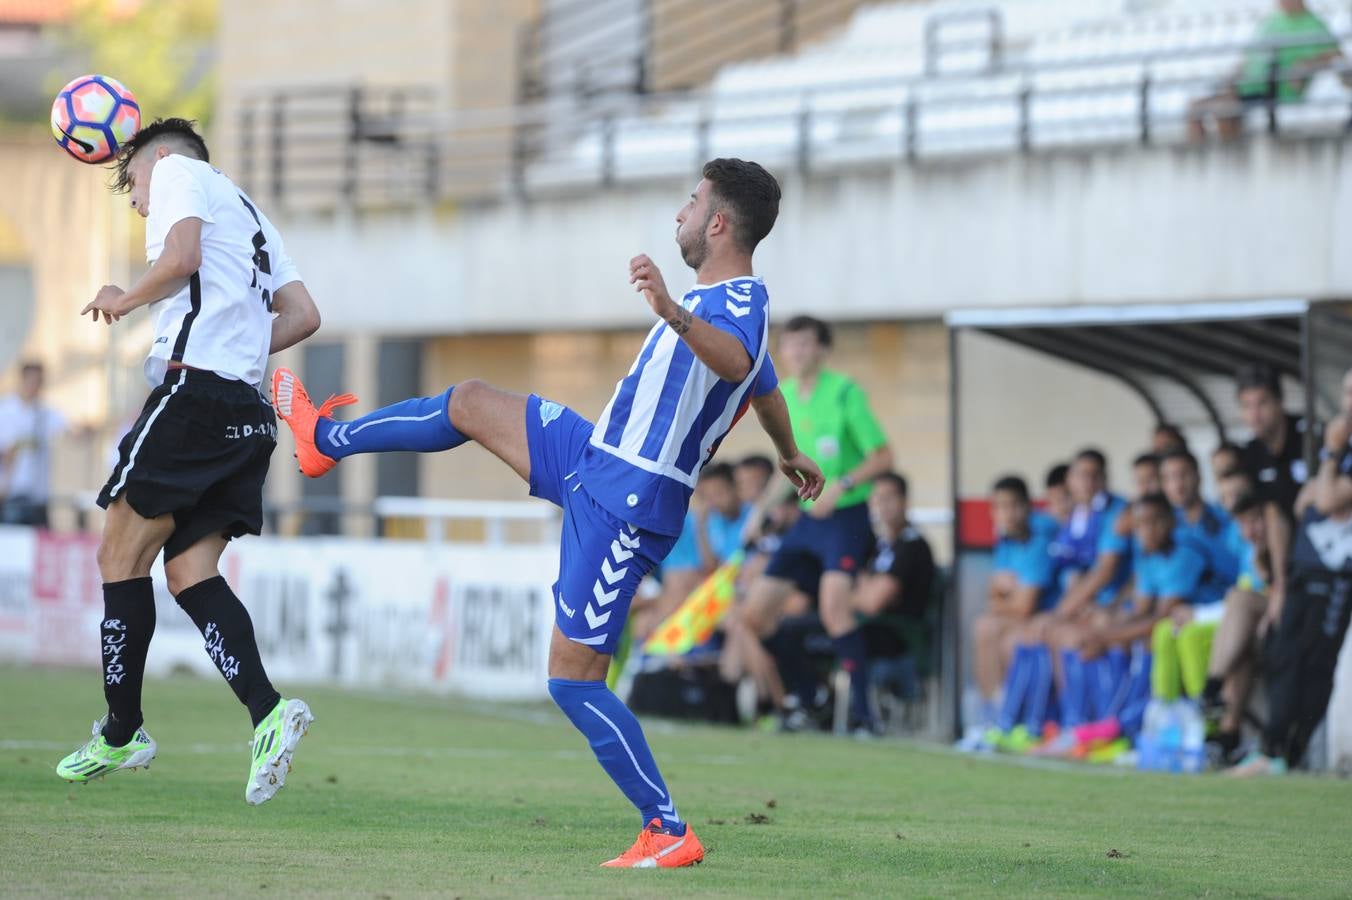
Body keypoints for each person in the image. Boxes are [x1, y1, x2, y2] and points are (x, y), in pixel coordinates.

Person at [269, 158, 824, 867]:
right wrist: (788, 451)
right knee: (470, 400)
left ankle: (668, 829)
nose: (678, 215)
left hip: (630, 502)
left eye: (690, 203)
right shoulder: (725, 304)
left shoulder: (734, 303)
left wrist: (674, 313)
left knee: (571, 680)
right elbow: (765, 382)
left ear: (718, 222)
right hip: (595, 457)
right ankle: (324, 442)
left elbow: (738, 357)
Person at [56, 119, 321, 804]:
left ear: (162, 160)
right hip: (245, 410)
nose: (139, 201)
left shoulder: (179, 173)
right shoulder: (253, 213)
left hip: (195, 394)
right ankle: (268, 712)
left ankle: (122, 730)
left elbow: (178, 257)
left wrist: (125, 297)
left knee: (119, 555)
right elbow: (304, 314)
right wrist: (240, 346)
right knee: (189, 571)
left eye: (134, 185)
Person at [738, 315, 892, 721]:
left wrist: (841, 485)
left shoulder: (844, 393)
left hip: (845, 517)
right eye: (790, 344)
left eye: (805, 344)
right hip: (808, 522)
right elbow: (787, 466)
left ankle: (863, 716)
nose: (796, 352)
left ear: (822, 349)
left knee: (833, 609)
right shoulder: (781, 393)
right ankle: (812, 695)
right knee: (755, 614)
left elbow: (883, 457)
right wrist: (760, 512)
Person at [1231, 372, 1352, 777]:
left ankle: (1291, 752)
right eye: (1347, 390)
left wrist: (1331, 455)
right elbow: (1303, 505)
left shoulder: (1332, 445)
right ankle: (1272, 750)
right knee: (1284, 653)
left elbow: (1327, 497)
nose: (1349, 400)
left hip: (1339, 573)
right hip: (1305, 567)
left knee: (1316, 662)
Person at [820, 471, 935, 734]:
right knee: (806, 630)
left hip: (899, 637)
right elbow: (860, 588)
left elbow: (873, 602)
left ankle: (862, 716)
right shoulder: (881, 545)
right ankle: (823, 707)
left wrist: (852, 596)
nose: (882, 506)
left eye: (889, 498)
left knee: (836, 632)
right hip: (872, 626)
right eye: (877, 499)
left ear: (905, 501)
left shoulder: (913, 545)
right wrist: (858, 593)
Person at [1187, 0, 1342, 142]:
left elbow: (1334, 54)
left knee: (1224, 109)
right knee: (1195, 107)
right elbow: (1248, 58)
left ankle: (1230, 157)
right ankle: (1203, 158)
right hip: (1248, 84)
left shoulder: (1313, 23)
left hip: (1275, 88)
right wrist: (1231, 78)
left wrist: (1305, 65)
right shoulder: (1271, 22)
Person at [970, 475, 1057, 730]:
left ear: (1027, 507)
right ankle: (991, 713)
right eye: (999, 507)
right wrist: (1007, 594)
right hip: (1023, 617)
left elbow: (1024, 606)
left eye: (1012, 506)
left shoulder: (1039, 539)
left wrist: (1009, 594)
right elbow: (993, 595)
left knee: (1000, 636)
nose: (1006, 514)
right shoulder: (1006, 542)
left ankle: (1007, 718)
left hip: (1047, 617)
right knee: (984, 626)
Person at [633, 462, 749, 641]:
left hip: (732, 589)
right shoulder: (707, 520)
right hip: (709, 589)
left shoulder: (745, 518)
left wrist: (701, 526)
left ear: (736, 488)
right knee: (644, 618)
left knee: (681, 585)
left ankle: (659, 654)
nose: (713, 502)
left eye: (718, 493)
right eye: (707, 497)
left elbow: (711, 568)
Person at [0, 362, 65, 527]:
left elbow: (71, 431)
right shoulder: (6, 411)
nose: (35, 386)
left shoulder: (45, 413)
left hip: (37, 496)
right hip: (11, 495)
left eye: (39, 381)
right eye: (32, 380)